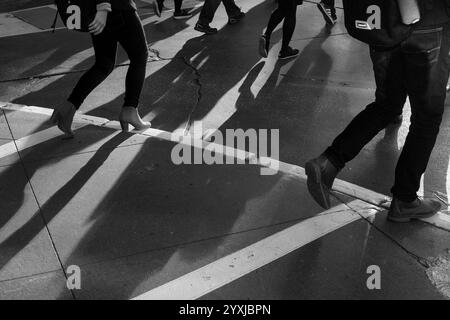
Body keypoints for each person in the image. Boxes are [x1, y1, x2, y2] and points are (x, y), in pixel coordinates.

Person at [305, 0, 450, 223]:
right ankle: (404, 199)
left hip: (384, 25)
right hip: (426, 24)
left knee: (388, 104)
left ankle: (329, 162)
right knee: (426, 117)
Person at [51, 0, 151, 138]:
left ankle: (69, 107)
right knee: (139, 56)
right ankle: (130, 109)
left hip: (97, 10)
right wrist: (103, 8)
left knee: (104, 64)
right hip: (114, 7)